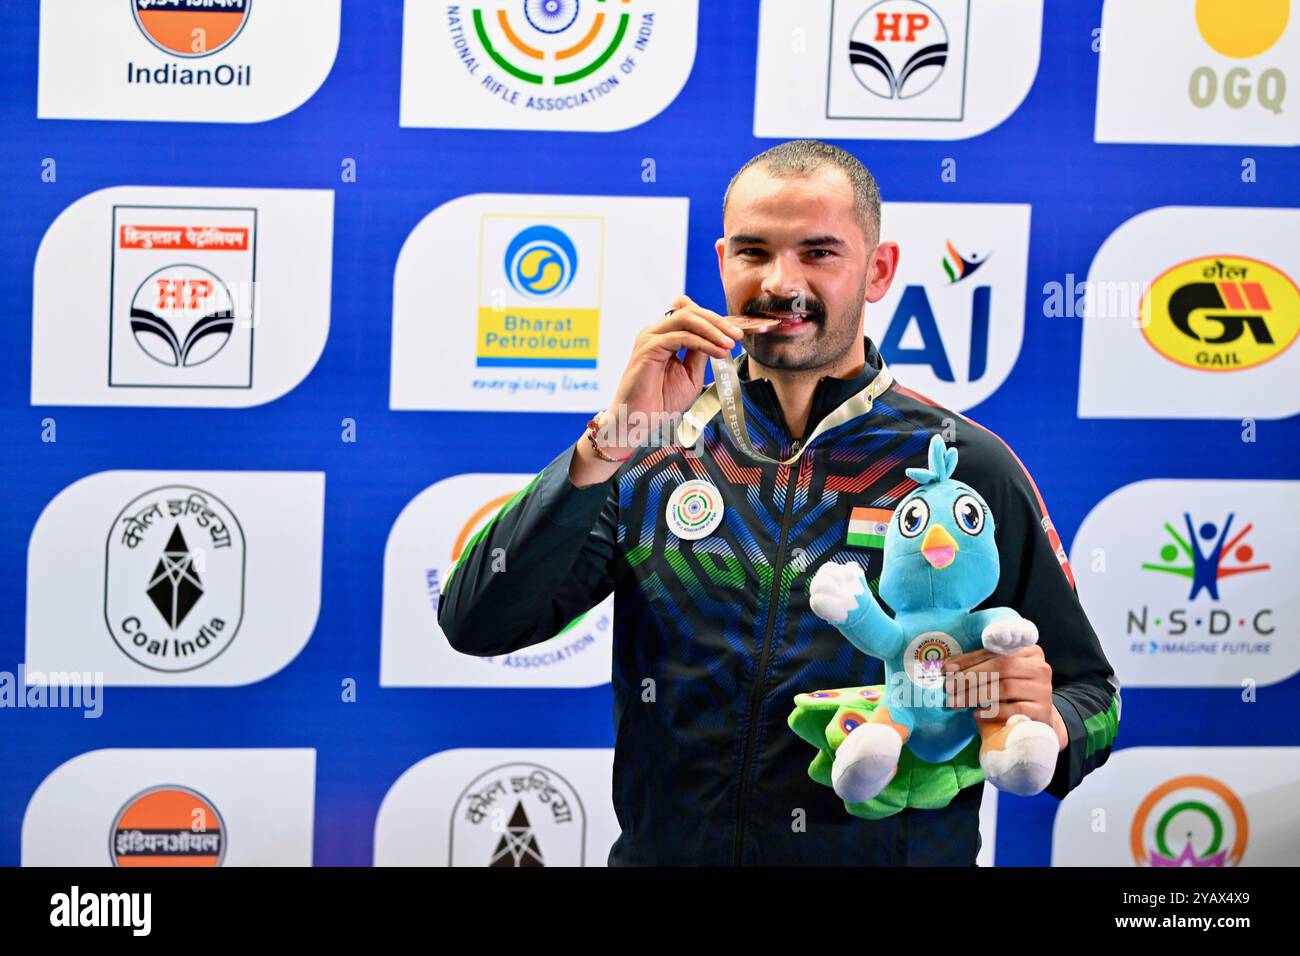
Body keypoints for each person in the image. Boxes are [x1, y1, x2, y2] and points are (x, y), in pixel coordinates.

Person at [438, 139, 1120, 866]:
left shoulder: (962, 467)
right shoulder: (650, 449)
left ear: (879, 271)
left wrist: (1043, 718)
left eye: (818, 253)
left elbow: (1095, 699)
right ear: (723, 259)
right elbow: (478, 621)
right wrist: (610, 440)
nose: (780, 282)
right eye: (754, 252)